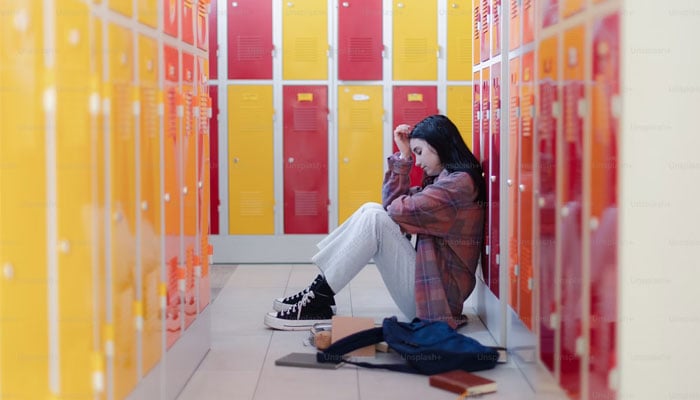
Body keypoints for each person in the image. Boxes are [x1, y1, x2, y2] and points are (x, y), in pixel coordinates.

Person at [264, 114, 486, 331]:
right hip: (429, 290)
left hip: (437, 303)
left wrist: (399, 192)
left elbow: (396, 210)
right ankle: (318, 293)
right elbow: (391, 205)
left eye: (418, 152)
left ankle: (318, 297)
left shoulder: (458, 185)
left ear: (440, 145)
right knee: (373, 210)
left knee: (375, 217)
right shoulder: (446, 179)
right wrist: (403, 155)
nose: (416, 162)